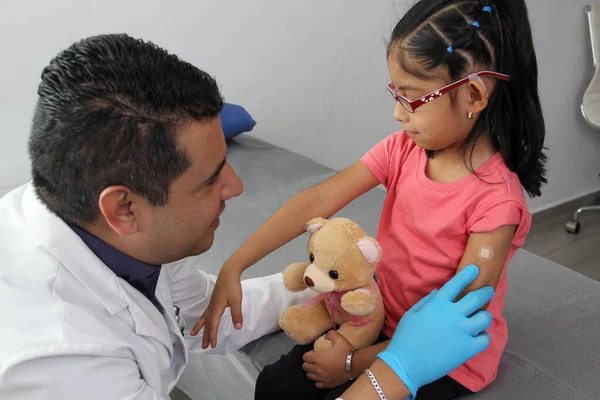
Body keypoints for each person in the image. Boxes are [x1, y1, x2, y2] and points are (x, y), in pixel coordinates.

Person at [194, 0, 547, 399]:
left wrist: (351, 363)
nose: (398, 113)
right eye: (395, 93)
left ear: (474, 97)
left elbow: (453, 322)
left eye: (411, 98)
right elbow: (320, 198)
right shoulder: (404, 150)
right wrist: (235, 265)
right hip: (377, 313)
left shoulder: (496, 203)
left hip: (445, 352)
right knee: (275, 386)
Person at [0, 33, 315, 399]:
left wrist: (318, 288)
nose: (236, 186)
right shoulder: (64, 362)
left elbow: (206, 314)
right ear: (125, 209)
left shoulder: (132, 237)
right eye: (212, 178)